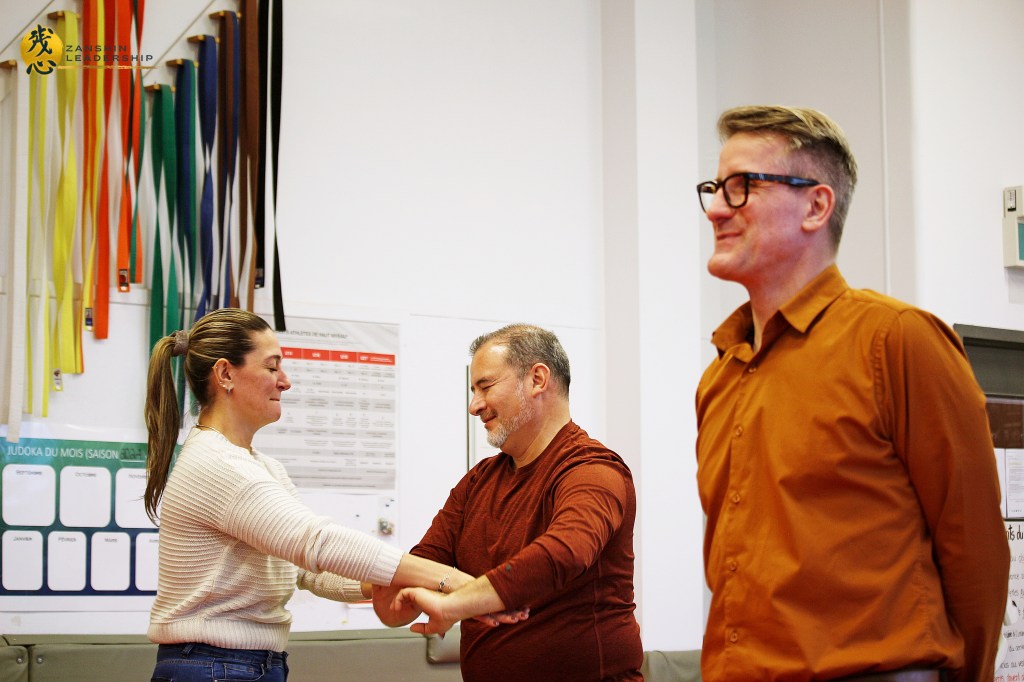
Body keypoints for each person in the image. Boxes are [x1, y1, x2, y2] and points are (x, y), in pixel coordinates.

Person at [695, 105, 1010, 681]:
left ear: (816, 205)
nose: (717, 208)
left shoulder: (896, 340)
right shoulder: (721, 375)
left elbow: (975, 550)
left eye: (743, 187)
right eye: (715, 188)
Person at [144, 308, 471, 682]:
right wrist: (448, 579)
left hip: (249, 664)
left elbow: (305, 571)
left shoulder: (263, 468)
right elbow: (316, 541)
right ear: (225, 374)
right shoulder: (215, 464)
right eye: (272, 367)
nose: (285, 381)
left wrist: (390, 583)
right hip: (212, 665)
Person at [372, 324, 643, 682]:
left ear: (537, 379)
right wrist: (380, 584)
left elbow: (565, 552)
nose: (474, 406)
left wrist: (455, 603)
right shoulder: (477, 483)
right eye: (473, 391)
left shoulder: (592, 469)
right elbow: (419, 568)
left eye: (485, 387)